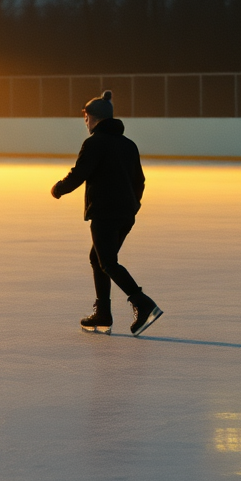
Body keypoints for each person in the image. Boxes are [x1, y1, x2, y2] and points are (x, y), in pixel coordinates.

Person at [51, 90, 162, 335]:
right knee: (98, 259)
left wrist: (58, 188)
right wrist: (133, 206)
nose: (85, 121)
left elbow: (80, 174)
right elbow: (140, 181)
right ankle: (103, 314)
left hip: (104, 213)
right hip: (126, 214)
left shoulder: (94, 143)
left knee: (108, 262)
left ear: (94, 117)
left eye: (86, 116)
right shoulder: (128, 145)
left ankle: (143, 304)